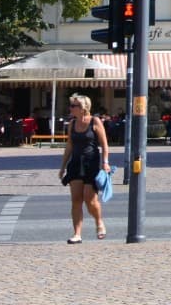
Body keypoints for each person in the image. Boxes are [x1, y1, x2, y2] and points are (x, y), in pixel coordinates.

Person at [58, 93, 111, 243]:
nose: (70, 108)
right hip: (75, 163)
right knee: (76, 200)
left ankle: (99, 221)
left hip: (91, 163)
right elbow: (69, 145)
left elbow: (104, 144)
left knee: (90, 199)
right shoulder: (72, 124)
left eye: (73, 106)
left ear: (83, 108)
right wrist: (62, 167)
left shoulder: (95, 121)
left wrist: (105, 162)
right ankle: (77, 234)